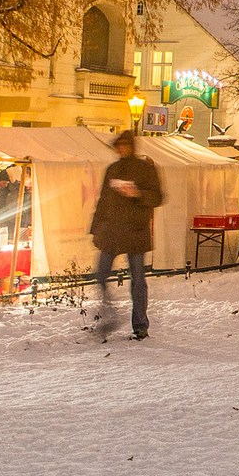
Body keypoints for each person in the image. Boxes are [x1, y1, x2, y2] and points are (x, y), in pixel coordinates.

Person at [90, 132, 163, 341]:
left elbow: (157, 197)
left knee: (138, 280)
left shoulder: (145, 169)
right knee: (101, 274)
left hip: (135, 232)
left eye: (124, 145)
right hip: (111, 233)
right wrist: (95, 228)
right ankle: (109, 315)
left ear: (131, 146)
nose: (121, 149)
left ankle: (140, 325)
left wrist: (137, 194)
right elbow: (103, 201)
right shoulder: (112, 169)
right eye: (118, 146)